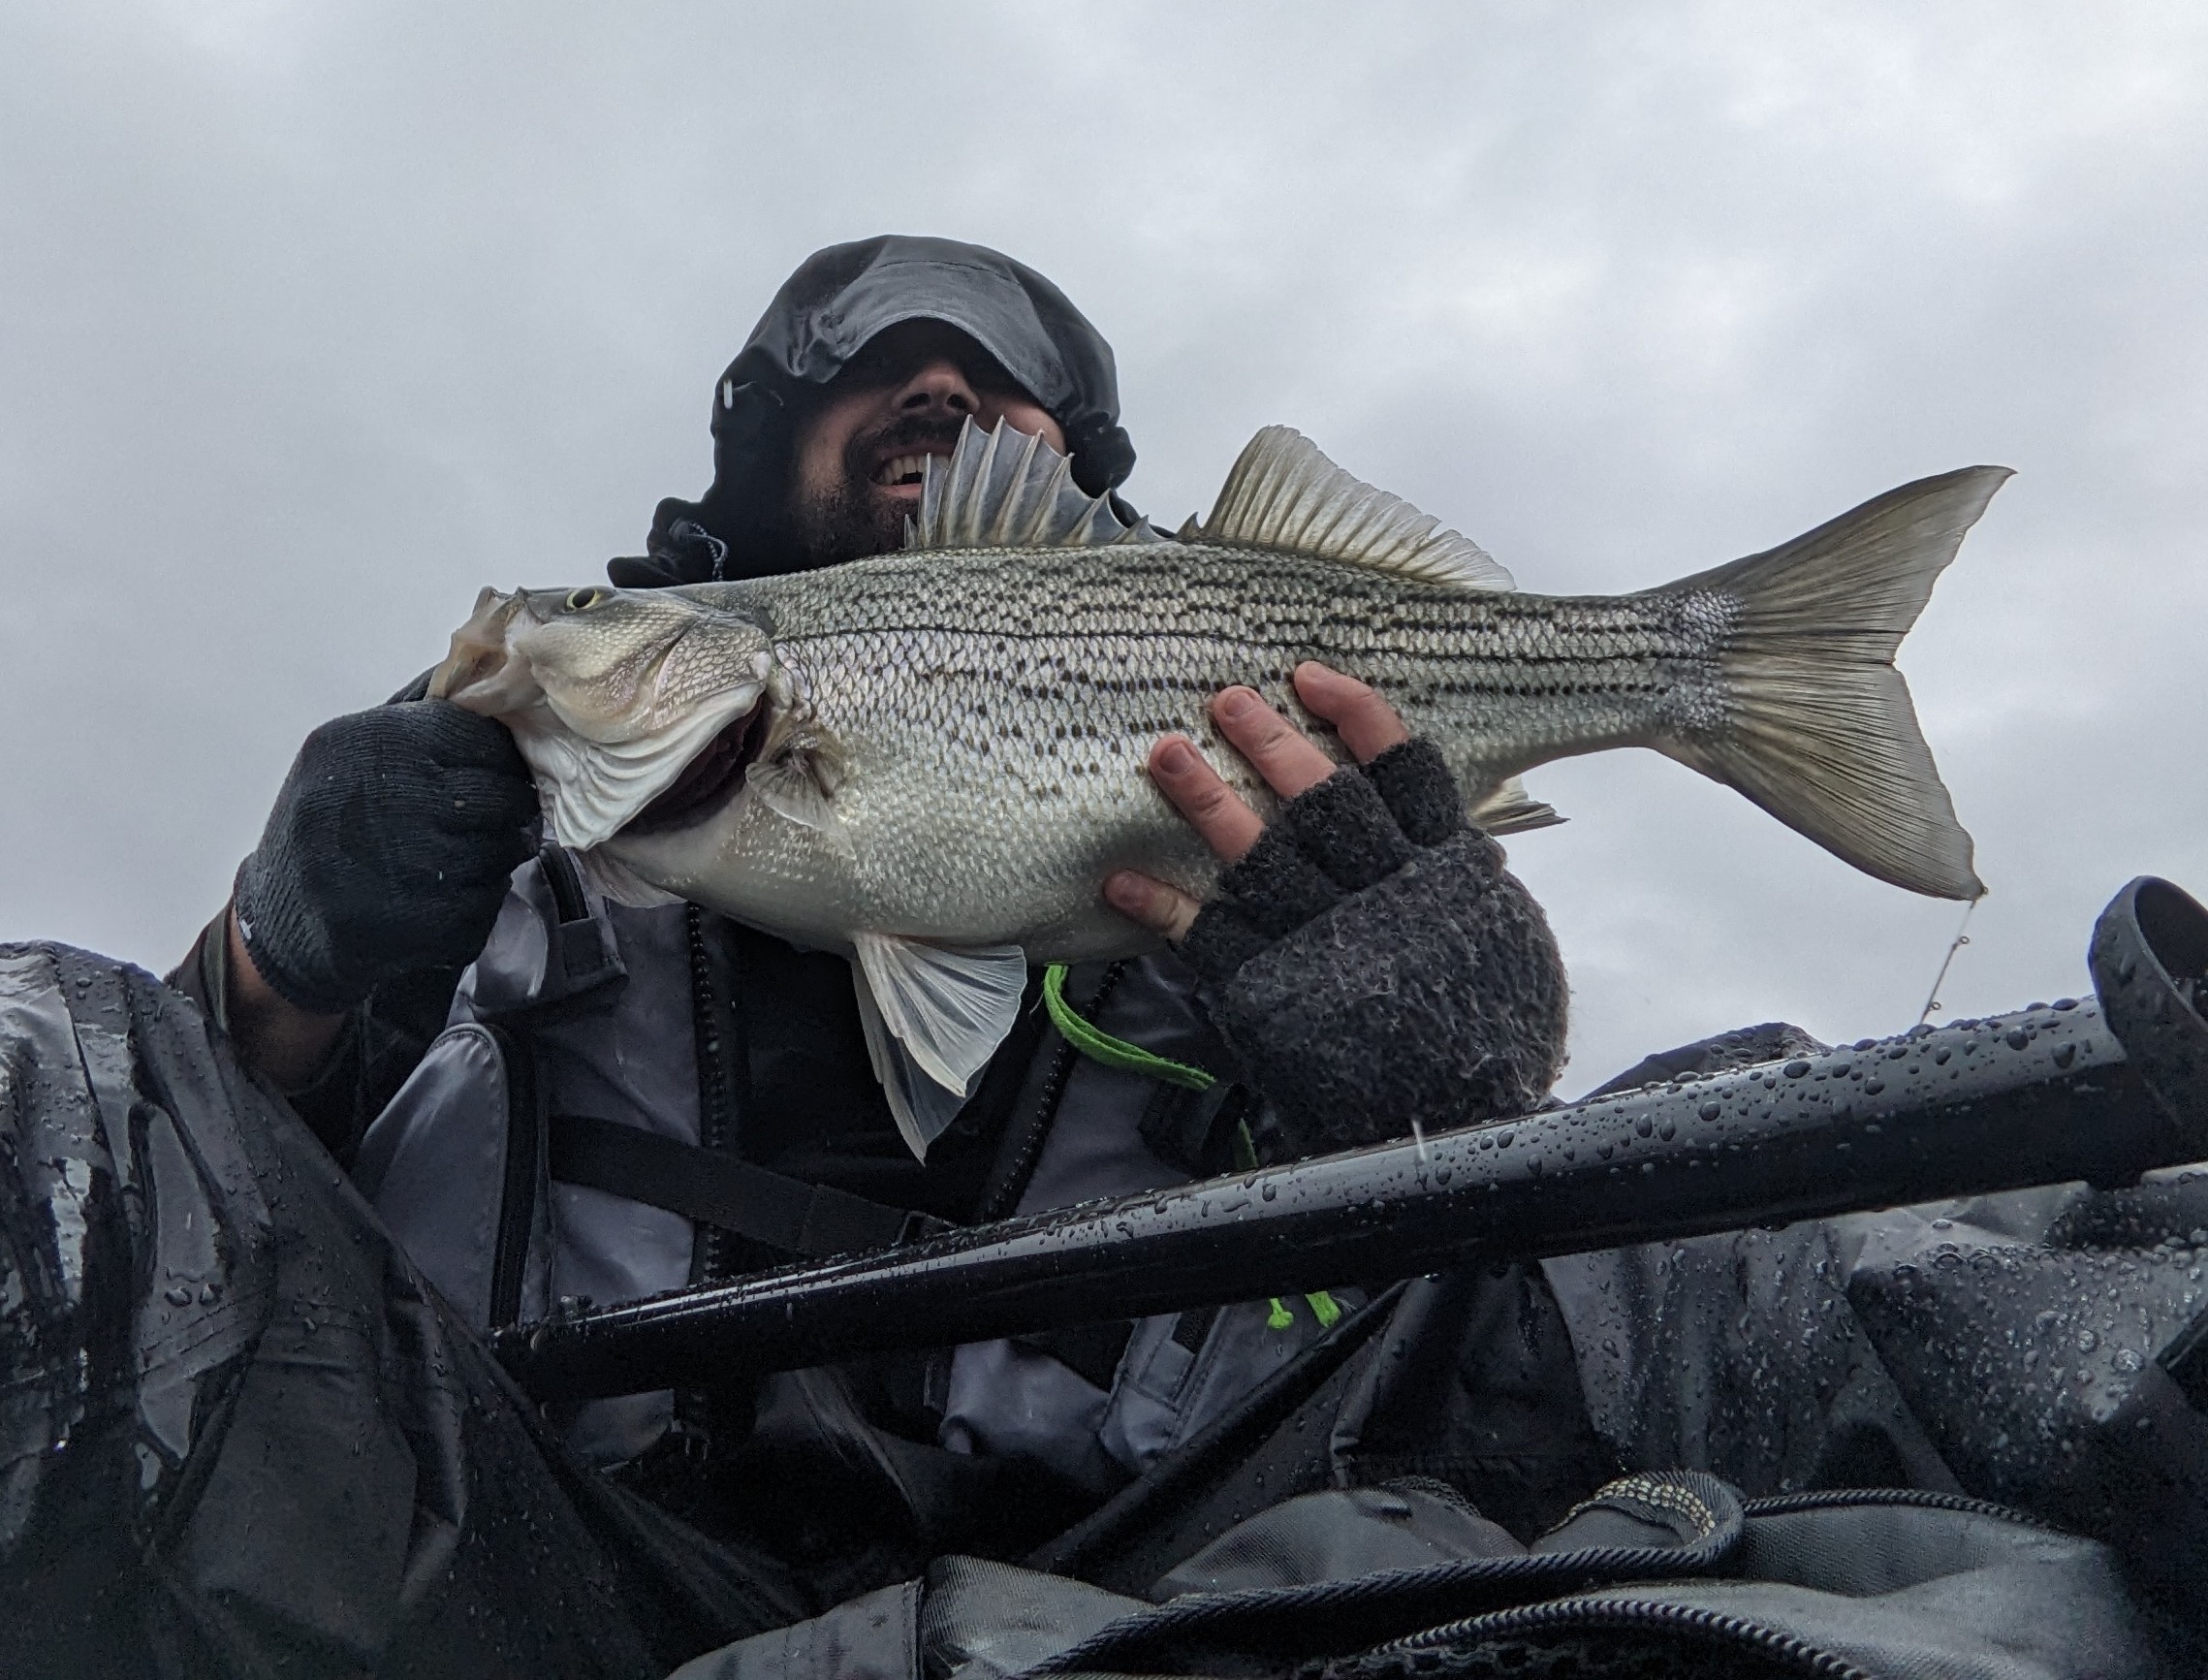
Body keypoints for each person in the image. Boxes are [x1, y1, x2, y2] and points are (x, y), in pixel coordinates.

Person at [168, 236, 1573, 1584]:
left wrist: (1451, 1090)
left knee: (1676, 1200)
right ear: (772, 445)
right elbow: (182, 1221)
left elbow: (1480, 1346)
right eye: (872, 366)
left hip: (1151, 1582)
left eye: (999, 379)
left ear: (1073, 462)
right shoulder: (500, 806)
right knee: (73, 1056)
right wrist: (276, 955)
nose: (942, 389)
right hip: (533, 1552)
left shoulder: (1298, 807)